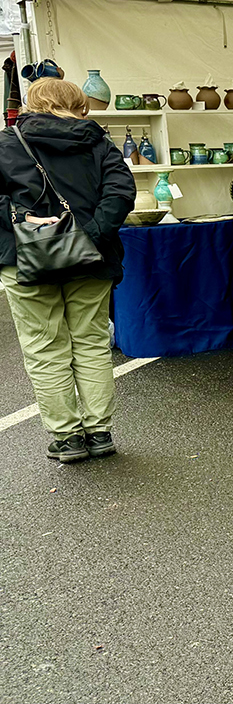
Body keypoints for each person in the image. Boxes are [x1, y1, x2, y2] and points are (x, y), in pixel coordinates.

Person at [0, 78, 133, 463]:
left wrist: (22, 221)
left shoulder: (8, 142)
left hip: (24, 257)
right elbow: (121, 193)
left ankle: (68, 438)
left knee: (45, 348)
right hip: (91, 257)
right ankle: (99, 432)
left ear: (31, 104)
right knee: (91, 344)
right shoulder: (99, 142)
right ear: (80, 105)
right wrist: (87, 235)